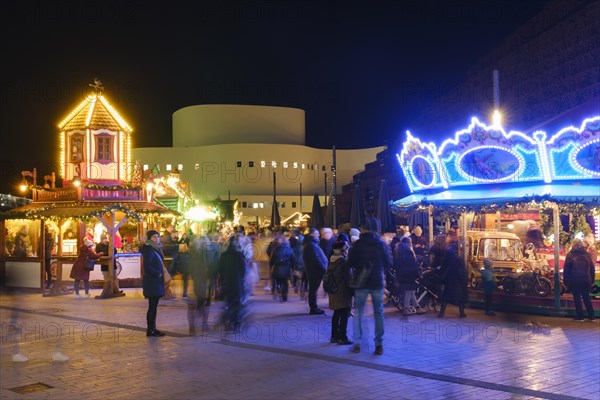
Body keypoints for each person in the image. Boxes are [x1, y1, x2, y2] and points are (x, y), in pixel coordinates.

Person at [348, 218, 392, 355]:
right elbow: (389, 262)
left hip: (361, 282)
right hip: (377, 282)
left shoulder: (358, 244)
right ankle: (379, 344)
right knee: (379, 313)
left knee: (358, 312)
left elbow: (350, 262)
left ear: (364, 229)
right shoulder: (381, 244)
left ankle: (357, 342)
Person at [327, 240, 353, 345]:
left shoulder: (331, 260)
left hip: (334, 290)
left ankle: (334, 336)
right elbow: (348, 278)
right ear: (343, 250)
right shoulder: (343, 261)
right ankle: (343, 337)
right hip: (343, 291)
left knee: (336, 313)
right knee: (344, 313)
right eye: (346, 248)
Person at [219, 236, 247, 331]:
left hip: (227, 283)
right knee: (237, 302)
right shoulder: (239, 255)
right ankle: (236, 322)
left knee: (229, 302)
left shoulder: (223, 255)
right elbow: (243, 270)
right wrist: (241, 279)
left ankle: (229, 320)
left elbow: (220, 270)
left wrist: (223, 280)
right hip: (237, 283)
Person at [438, 231, 469, 318]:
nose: (446, 238)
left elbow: (446, 262)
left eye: (447, 236)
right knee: (459, 294)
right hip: (459, 274)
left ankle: (442, 312)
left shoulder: (450, 249)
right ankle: (461, 312)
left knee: (447, 293)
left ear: (451, 237)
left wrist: (441, 271)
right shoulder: (457, 247)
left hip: (452, 275)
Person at [142, 230, 166, 337]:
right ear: (149, 238)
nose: (157, 239)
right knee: (152, 306)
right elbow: (147, 266)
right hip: (152, 282)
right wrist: (158, 274)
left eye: (158, 236)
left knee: (154, 306)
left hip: (155, 282)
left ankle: (152, 328)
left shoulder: (155, 249)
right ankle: (150, 329)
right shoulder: (148, 249)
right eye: (154, 237)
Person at [564, 239, 595, 321]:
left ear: (573, 245)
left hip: (575, 280)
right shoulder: (587, 254)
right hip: (586, 279)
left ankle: (580, 316)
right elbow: (592, 268)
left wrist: (566, 281)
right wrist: (592, 280)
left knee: (577, 298)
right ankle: (591, 316)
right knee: (586, 297)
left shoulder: (570, 255)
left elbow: (566, 269)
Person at [395, 236, 426, 316]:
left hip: (402, 275)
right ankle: (406, 308)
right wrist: (418, 275)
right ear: (408, 243)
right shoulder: (410, 251)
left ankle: (418, 308)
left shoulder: (398, 251)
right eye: (410, 242)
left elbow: (397, 265)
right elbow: (414, 265)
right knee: (409, 291)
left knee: (410, 292)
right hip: (410, 274)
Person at [302, 228, 328, 315]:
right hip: (315, 272)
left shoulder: (310, 244)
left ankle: (314, 307)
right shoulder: (311, 245)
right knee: (313, 290)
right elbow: (317, 259)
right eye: (316, 233)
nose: (318, 235)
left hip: (313, 271)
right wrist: (324, 268)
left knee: (313, 290)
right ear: (311, 234)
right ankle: (313, 308)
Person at [269, 236, 295, 302]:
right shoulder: (289, 249)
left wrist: (271, 267)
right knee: (285, 282)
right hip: (286, 268)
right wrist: (293, 267)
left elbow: (271, 260)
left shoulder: (275, 249)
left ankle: (278, 288)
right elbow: (293, 260)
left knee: (278, 280)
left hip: (276, 268)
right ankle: (284, 295)